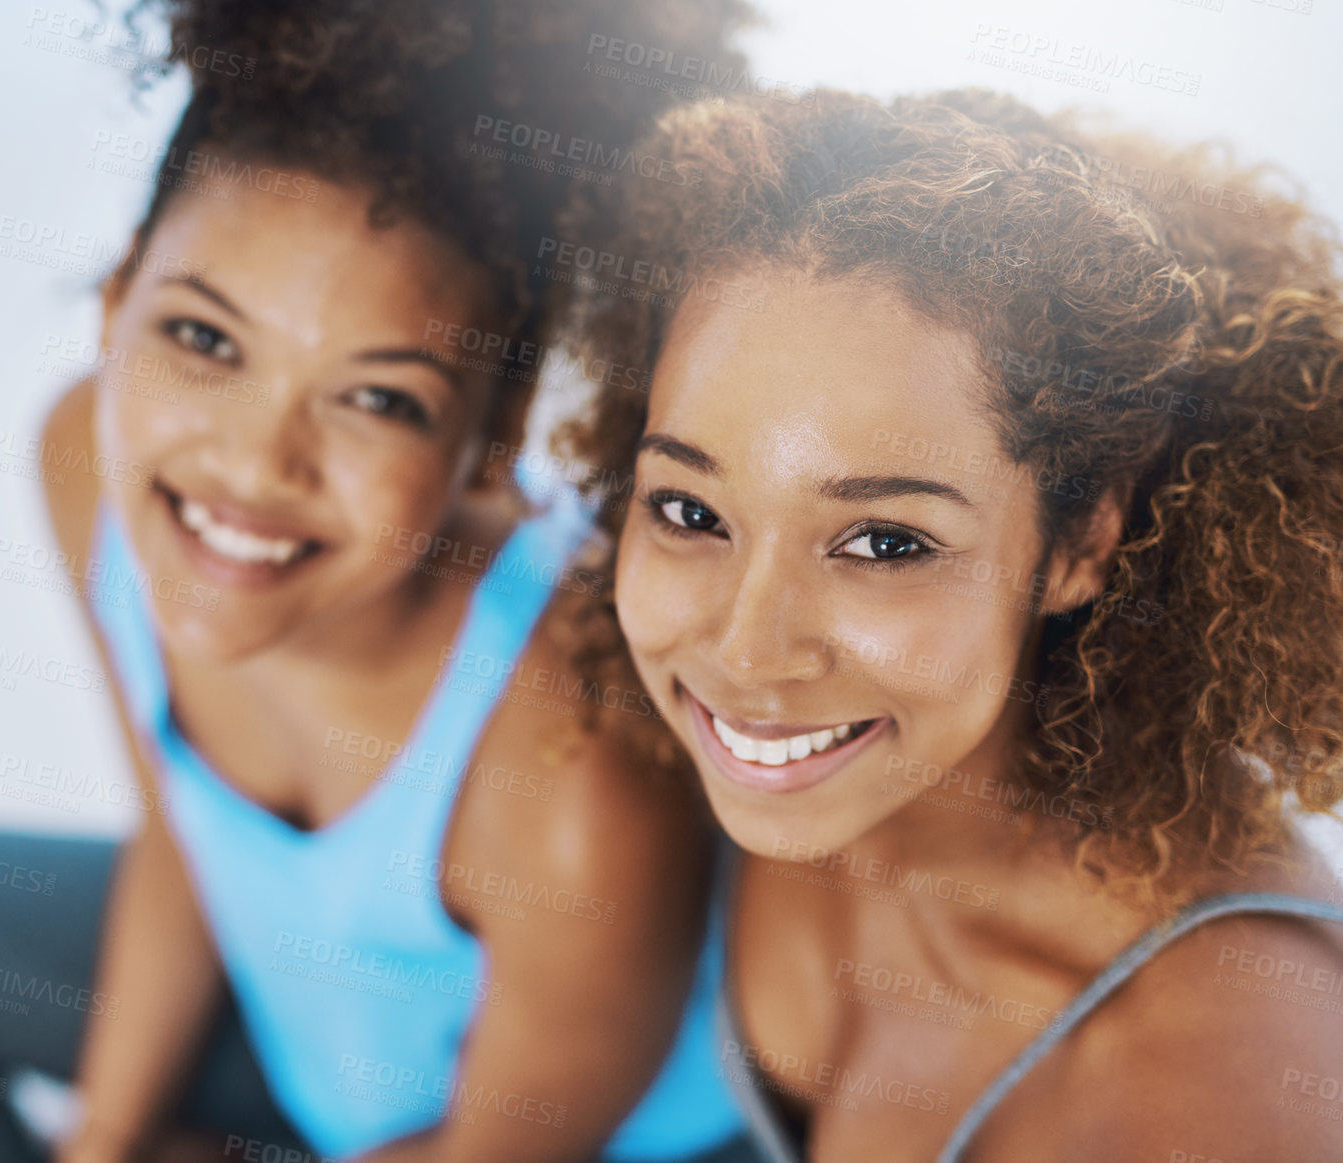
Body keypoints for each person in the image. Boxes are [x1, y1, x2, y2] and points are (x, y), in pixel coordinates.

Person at [0, 2, 762, 1160]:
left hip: (536, 1139)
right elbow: (183, 845)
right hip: (297, 1026)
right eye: (204, 340)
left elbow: (499, 1146)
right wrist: (107, 1138)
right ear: (116, 303)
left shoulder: (573, 738)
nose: (252, 468)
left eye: (376, 399)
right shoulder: (89, 465)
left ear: (495, 437)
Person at [558, 87, 1343, 1161]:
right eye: (691, 511)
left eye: (882, 542)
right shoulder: (727, 764)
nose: (745, 652)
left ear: (1080, 540)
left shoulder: (1215, 1086)